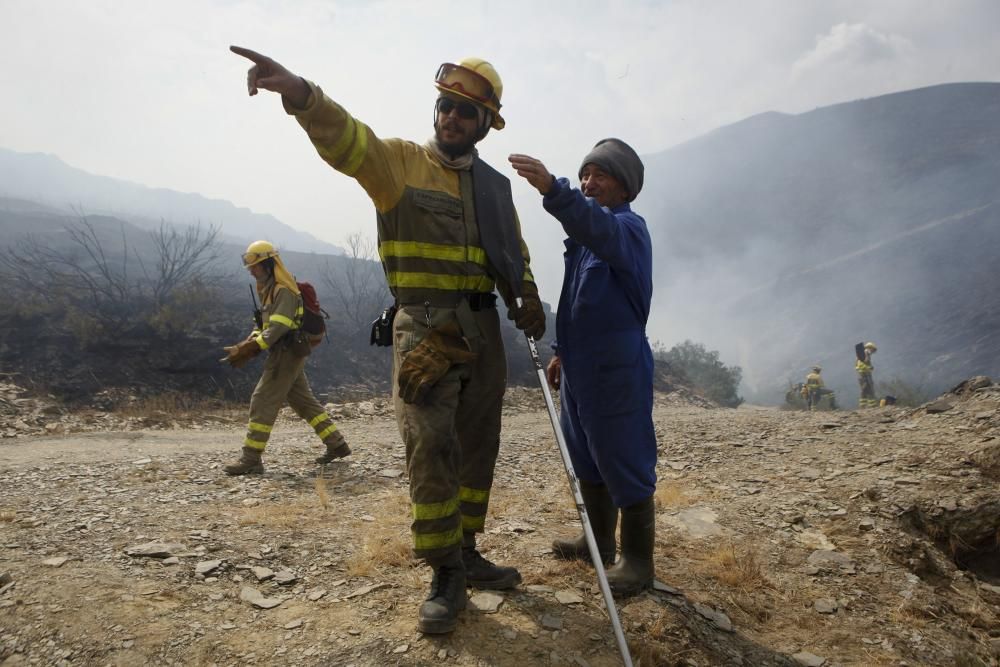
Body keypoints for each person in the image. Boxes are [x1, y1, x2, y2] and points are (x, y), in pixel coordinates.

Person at [231, 47, 545, 634]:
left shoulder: (496, 189)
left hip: (485, 333)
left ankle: (468, 548)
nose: (451, 117)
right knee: (429, 446)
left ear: (486, 123)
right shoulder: (398, 163)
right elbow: (346, 141)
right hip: (426, 331)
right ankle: (444, 571)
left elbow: (514, 253)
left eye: (465, 112)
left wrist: (526, 294)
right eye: (445, 106)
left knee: (479, 447)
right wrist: (301, 94)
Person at [509, 140, 657, 596]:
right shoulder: (588, 241)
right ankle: (596, 543)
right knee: (586, 455)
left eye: (600, 175)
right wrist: (560, 351)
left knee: (622, 454)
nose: (590, 183)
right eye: (585, 175)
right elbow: (579, 303)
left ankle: (637, 562)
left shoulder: (626, 229)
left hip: (615, 368)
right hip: (579, 368)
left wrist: (556, 189)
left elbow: (596, 227)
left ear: (625, 184)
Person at [222, 240, 350, 475]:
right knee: (303, 401)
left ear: (270, 264)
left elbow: (278, 328)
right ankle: (337, 444)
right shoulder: (268, 290)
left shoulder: (283, 290)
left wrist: (252, 349)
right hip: (285, 351)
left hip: (286, 353)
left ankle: (251, 459)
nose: (252, 271)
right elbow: (263, 325)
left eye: (256, 266)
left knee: (261, 400)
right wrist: (247, 343)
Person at [856, 341, 877, 408]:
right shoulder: (865, 354)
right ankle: (872, 405)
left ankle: (863, 405)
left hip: (864, 374)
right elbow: (861, 364)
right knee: (868, 389)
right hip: (864, 375)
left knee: (865, 390)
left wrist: (870, 368)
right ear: (869, 348)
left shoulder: (864, 354)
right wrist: (869, 368)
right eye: (872, 349)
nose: (873, 351)